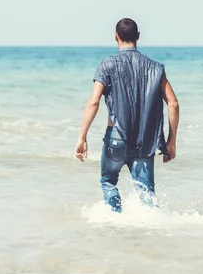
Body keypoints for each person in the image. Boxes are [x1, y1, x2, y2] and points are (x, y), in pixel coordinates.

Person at [75, 18, 180, 212]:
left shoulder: (107, 65)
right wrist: (171, 141)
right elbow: (173, 103)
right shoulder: (156, 68)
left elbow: (93, 102)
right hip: (145, 139)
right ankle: (150, 230)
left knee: (108, 182)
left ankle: (115, 223)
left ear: (116, 37)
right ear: (138, 36)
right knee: (146, 194)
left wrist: (82, 137)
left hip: (116, 136)